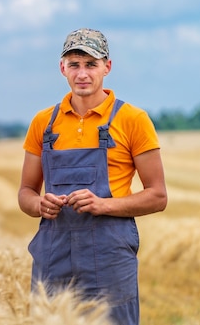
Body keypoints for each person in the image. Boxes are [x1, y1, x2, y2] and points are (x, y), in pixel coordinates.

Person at [17, 28, 167, 325]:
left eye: (91, 64)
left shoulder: (133, 120)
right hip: (53, 255)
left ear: (107, 67)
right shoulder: (43, 123)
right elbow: (25, 192)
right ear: (63, 68)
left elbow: (158, 196)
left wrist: (103, 205)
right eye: (74, 64)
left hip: (109, 255)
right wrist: (39, 206)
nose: (82, 73)